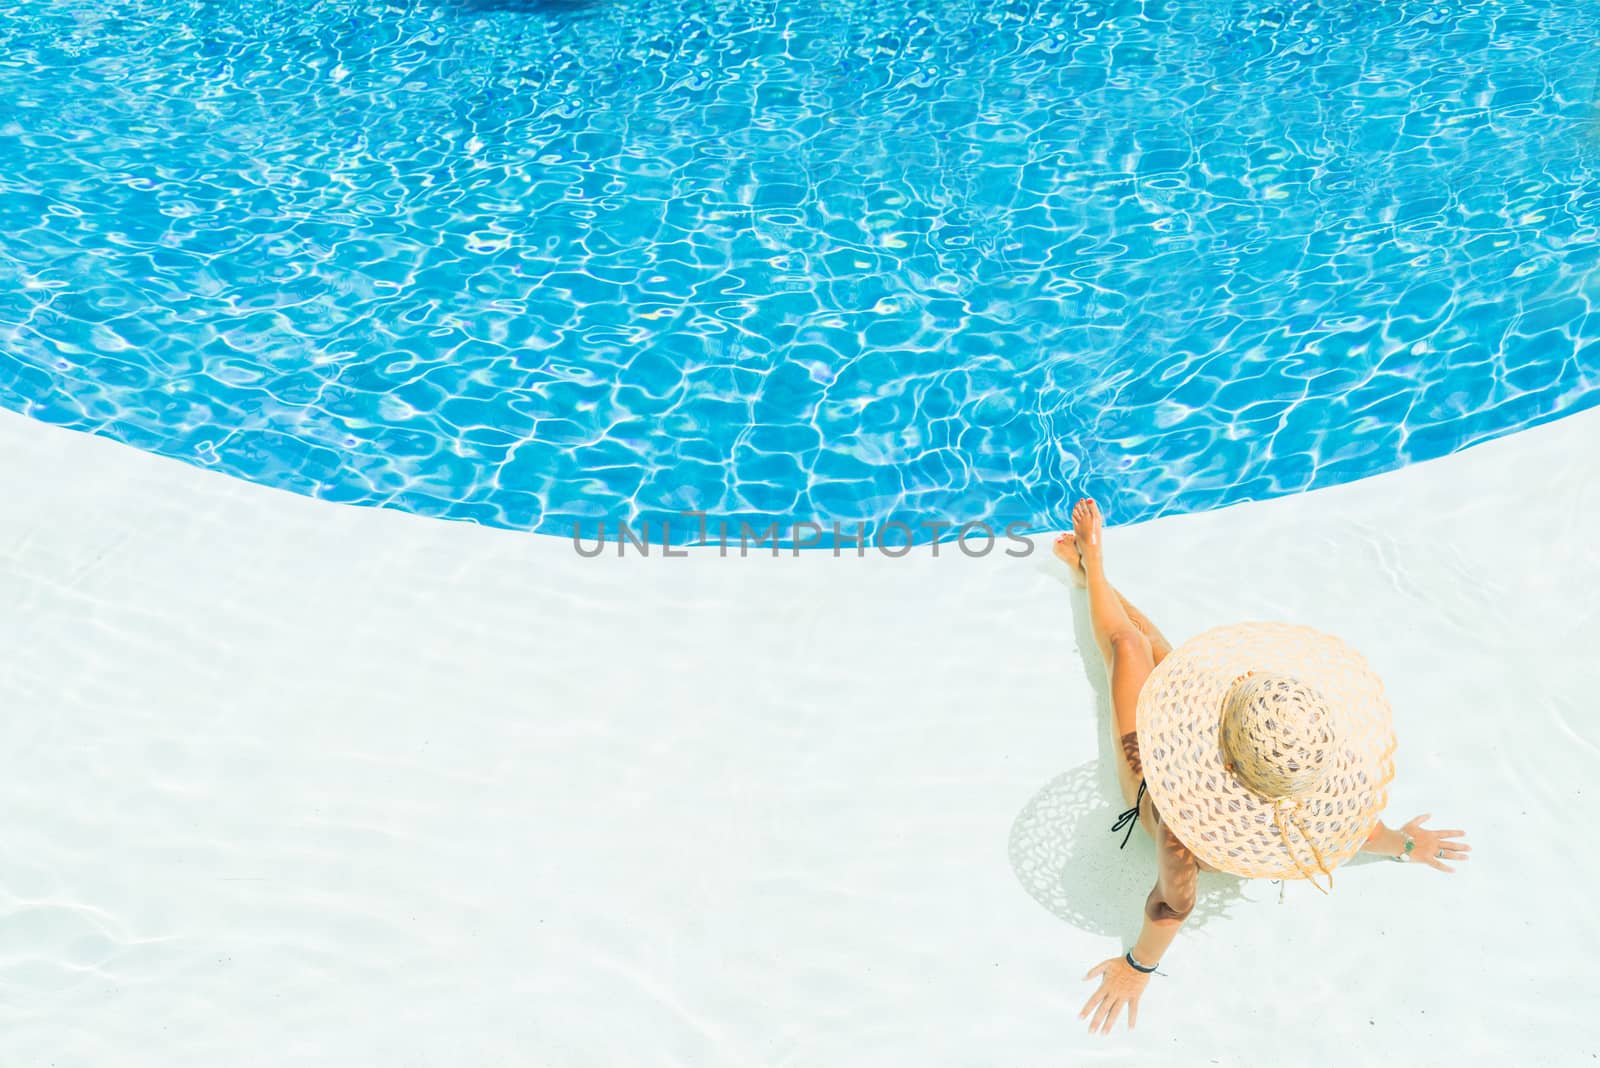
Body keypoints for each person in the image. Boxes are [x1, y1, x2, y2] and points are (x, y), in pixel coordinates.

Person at [1052, 497, 1472, 1035]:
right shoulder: (1314, 795)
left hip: (1152, 780)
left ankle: (1094, 569)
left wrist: (1136, 970)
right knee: (1164, 651)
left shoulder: (1184, 829)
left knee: (1130, 646)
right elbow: (1363, 833)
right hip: (1233, 771)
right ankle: (1094, 573)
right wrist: (1409, 846)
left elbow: (1172, 905)